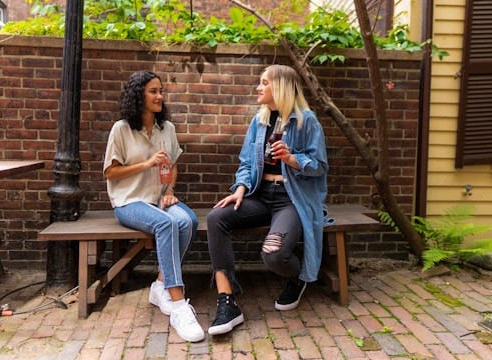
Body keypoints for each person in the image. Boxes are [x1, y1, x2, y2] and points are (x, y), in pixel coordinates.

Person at [206, 64, 329, 336]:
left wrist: (292, 159)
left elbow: (320, 166)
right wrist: (239, 188)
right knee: (216, 218)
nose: (258, 87)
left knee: (273, 255)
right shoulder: (259, 121)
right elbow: (247, 163)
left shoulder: (307, 121)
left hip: (292, 199)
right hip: (260, 196)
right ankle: (227, 300)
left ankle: (298, 277)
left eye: (264, 82)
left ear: (281, 87)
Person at [103, 71, 204, 342]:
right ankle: (178, 302)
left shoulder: (166, 128)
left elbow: (173, 166)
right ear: (139, 95)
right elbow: (111, 173)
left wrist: (169, 190)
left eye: (161, 91)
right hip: (129, 201)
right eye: (153, 91)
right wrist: (146, 164)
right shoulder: (121, 129)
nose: (160, 96)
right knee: (167, 222)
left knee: (188, 220)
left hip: (159, 198)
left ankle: (160, 284)